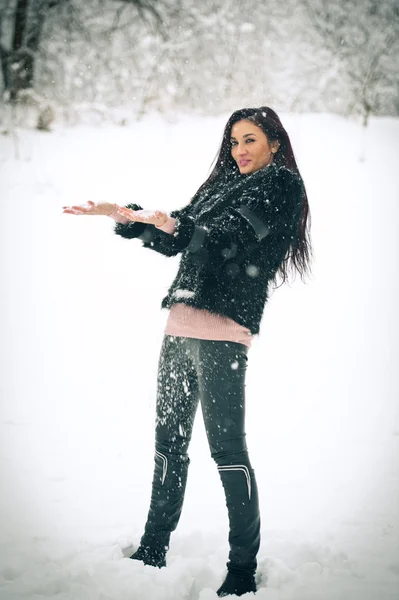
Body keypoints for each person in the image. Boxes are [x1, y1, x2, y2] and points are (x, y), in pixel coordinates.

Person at [63, 106, 313, 597]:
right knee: (169, 440)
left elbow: (226, 242)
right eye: (234, 141)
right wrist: (131, 219)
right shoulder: (221, 184)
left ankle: (242, 567)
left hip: (224, 330)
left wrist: (181, 229)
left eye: (250, 140)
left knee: (226, 450)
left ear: (274, 144)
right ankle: (153, 545)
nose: (240, 150)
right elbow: (181, 233)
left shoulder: (279, 187)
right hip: (181, 322)